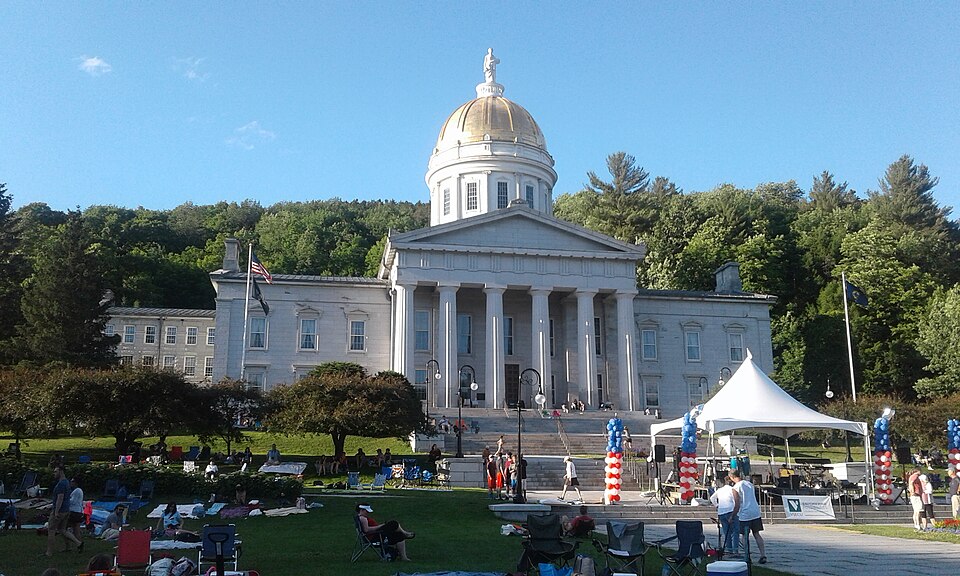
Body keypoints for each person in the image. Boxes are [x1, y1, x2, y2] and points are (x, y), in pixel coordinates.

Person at [730, 468, 766, 564]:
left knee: (744, 535)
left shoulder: (735, 488)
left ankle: (747, 556)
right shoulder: (749, 484)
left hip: (745, 513)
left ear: (732, 477)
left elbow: (737, 504)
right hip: (755, 511)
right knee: (756, 534)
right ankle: (763, 554)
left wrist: (732, 516)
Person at [46, 466, 82, 556]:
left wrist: (56, 511)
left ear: (61, 471)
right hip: (66, 510)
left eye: (55, 471)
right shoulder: (66, 482)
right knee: (62, 529)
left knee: (51, 530)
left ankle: (49, 552)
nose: (54, 473)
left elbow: (60, 498)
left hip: (60, 510)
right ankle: (78, 543)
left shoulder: (61, 484)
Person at [710, 476, 740, 557]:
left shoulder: (720, 490)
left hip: (721, 512)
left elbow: (712, 498)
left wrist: (717, 505)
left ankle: (729, 549)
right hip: (730, 511)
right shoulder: (732, 489)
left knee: (726, 532)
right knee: (735, 531)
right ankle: (735, 550)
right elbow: (736, 500)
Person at [68, 477, 86, 552]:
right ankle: (79, 544)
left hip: (74, 512)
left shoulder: (77, 491)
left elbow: (73, 501)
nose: (71, 483)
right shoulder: (78, 491)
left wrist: (65, 500)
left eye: (72, 481)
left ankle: (75, 543)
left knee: (64, 528)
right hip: (78, 511)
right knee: (76, 529)